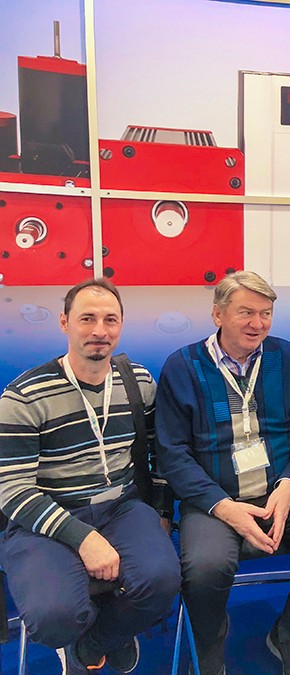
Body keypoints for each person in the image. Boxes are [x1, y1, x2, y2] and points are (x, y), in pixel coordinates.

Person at [155, 271, 290, 675]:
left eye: (265, 313)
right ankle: (209, 644)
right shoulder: (182, 366)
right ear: (218, 315)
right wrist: (222, 506)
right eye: (246, 312)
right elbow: (172, 453)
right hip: (213, 501)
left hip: (282, 490)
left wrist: (289, 485)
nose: (257, 323)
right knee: (205, 567)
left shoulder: (285, 356)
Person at [0, 278, 180, 674]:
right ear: (64, 322)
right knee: (53, 615)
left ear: (121, 325)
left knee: (163, 581)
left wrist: (162, 511)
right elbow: (11, 489)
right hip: (48, 516)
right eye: (87, 318)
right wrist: (83, 538)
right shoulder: (24, 396)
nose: (100, 330)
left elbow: (161, 455)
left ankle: (96, 642)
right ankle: (81, 634)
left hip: (121, 507)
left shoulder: (138, 382)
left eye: (110, 319)